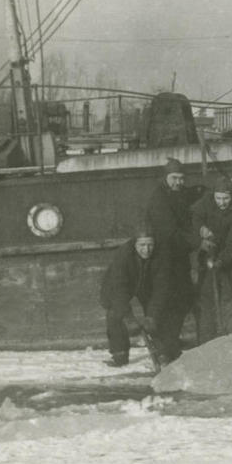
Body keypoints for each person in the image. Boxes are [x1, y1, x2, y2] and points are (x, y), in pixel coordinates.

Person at [144, 157, 196, 361]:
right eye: (174, 178)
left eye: (181, 178)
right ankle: (164, 347)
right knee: (168, 301)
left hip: (177, 258)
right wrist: (197, 242)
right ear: (166, 178)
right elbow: (171, 232)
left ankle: (169, 344)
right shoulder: (159, 200)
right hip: (163, 258)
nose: (178, 182)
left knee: (182, 300)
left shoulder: (178, 194)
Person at [98, 226, 170, 367]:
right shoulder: (123, 255)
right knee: (114, 313)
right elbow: (119, 289)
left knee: (157, 314)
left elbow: (161, 288)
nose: (147, 249)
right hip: (122, 285)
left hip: (147, 284)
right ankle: (119, 355)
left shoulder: (161, 255)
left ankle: (163, 352)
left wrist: (152, 316)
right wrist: (129, 317)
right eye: (142, 245)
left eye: (150, 245)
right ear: (135, 244)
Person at [190, 175, 232, 344]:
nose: (222, 203)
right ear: (213, 195)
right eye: (218, 198)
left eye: (226, 198)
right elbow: (195, 215)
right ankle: (206, 343)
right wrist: (201, 228)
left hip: (230, 264)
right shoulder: (205, 202)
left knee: (230, 302)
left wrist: (219, 262)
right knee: (206, 303)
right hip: (206, 261)